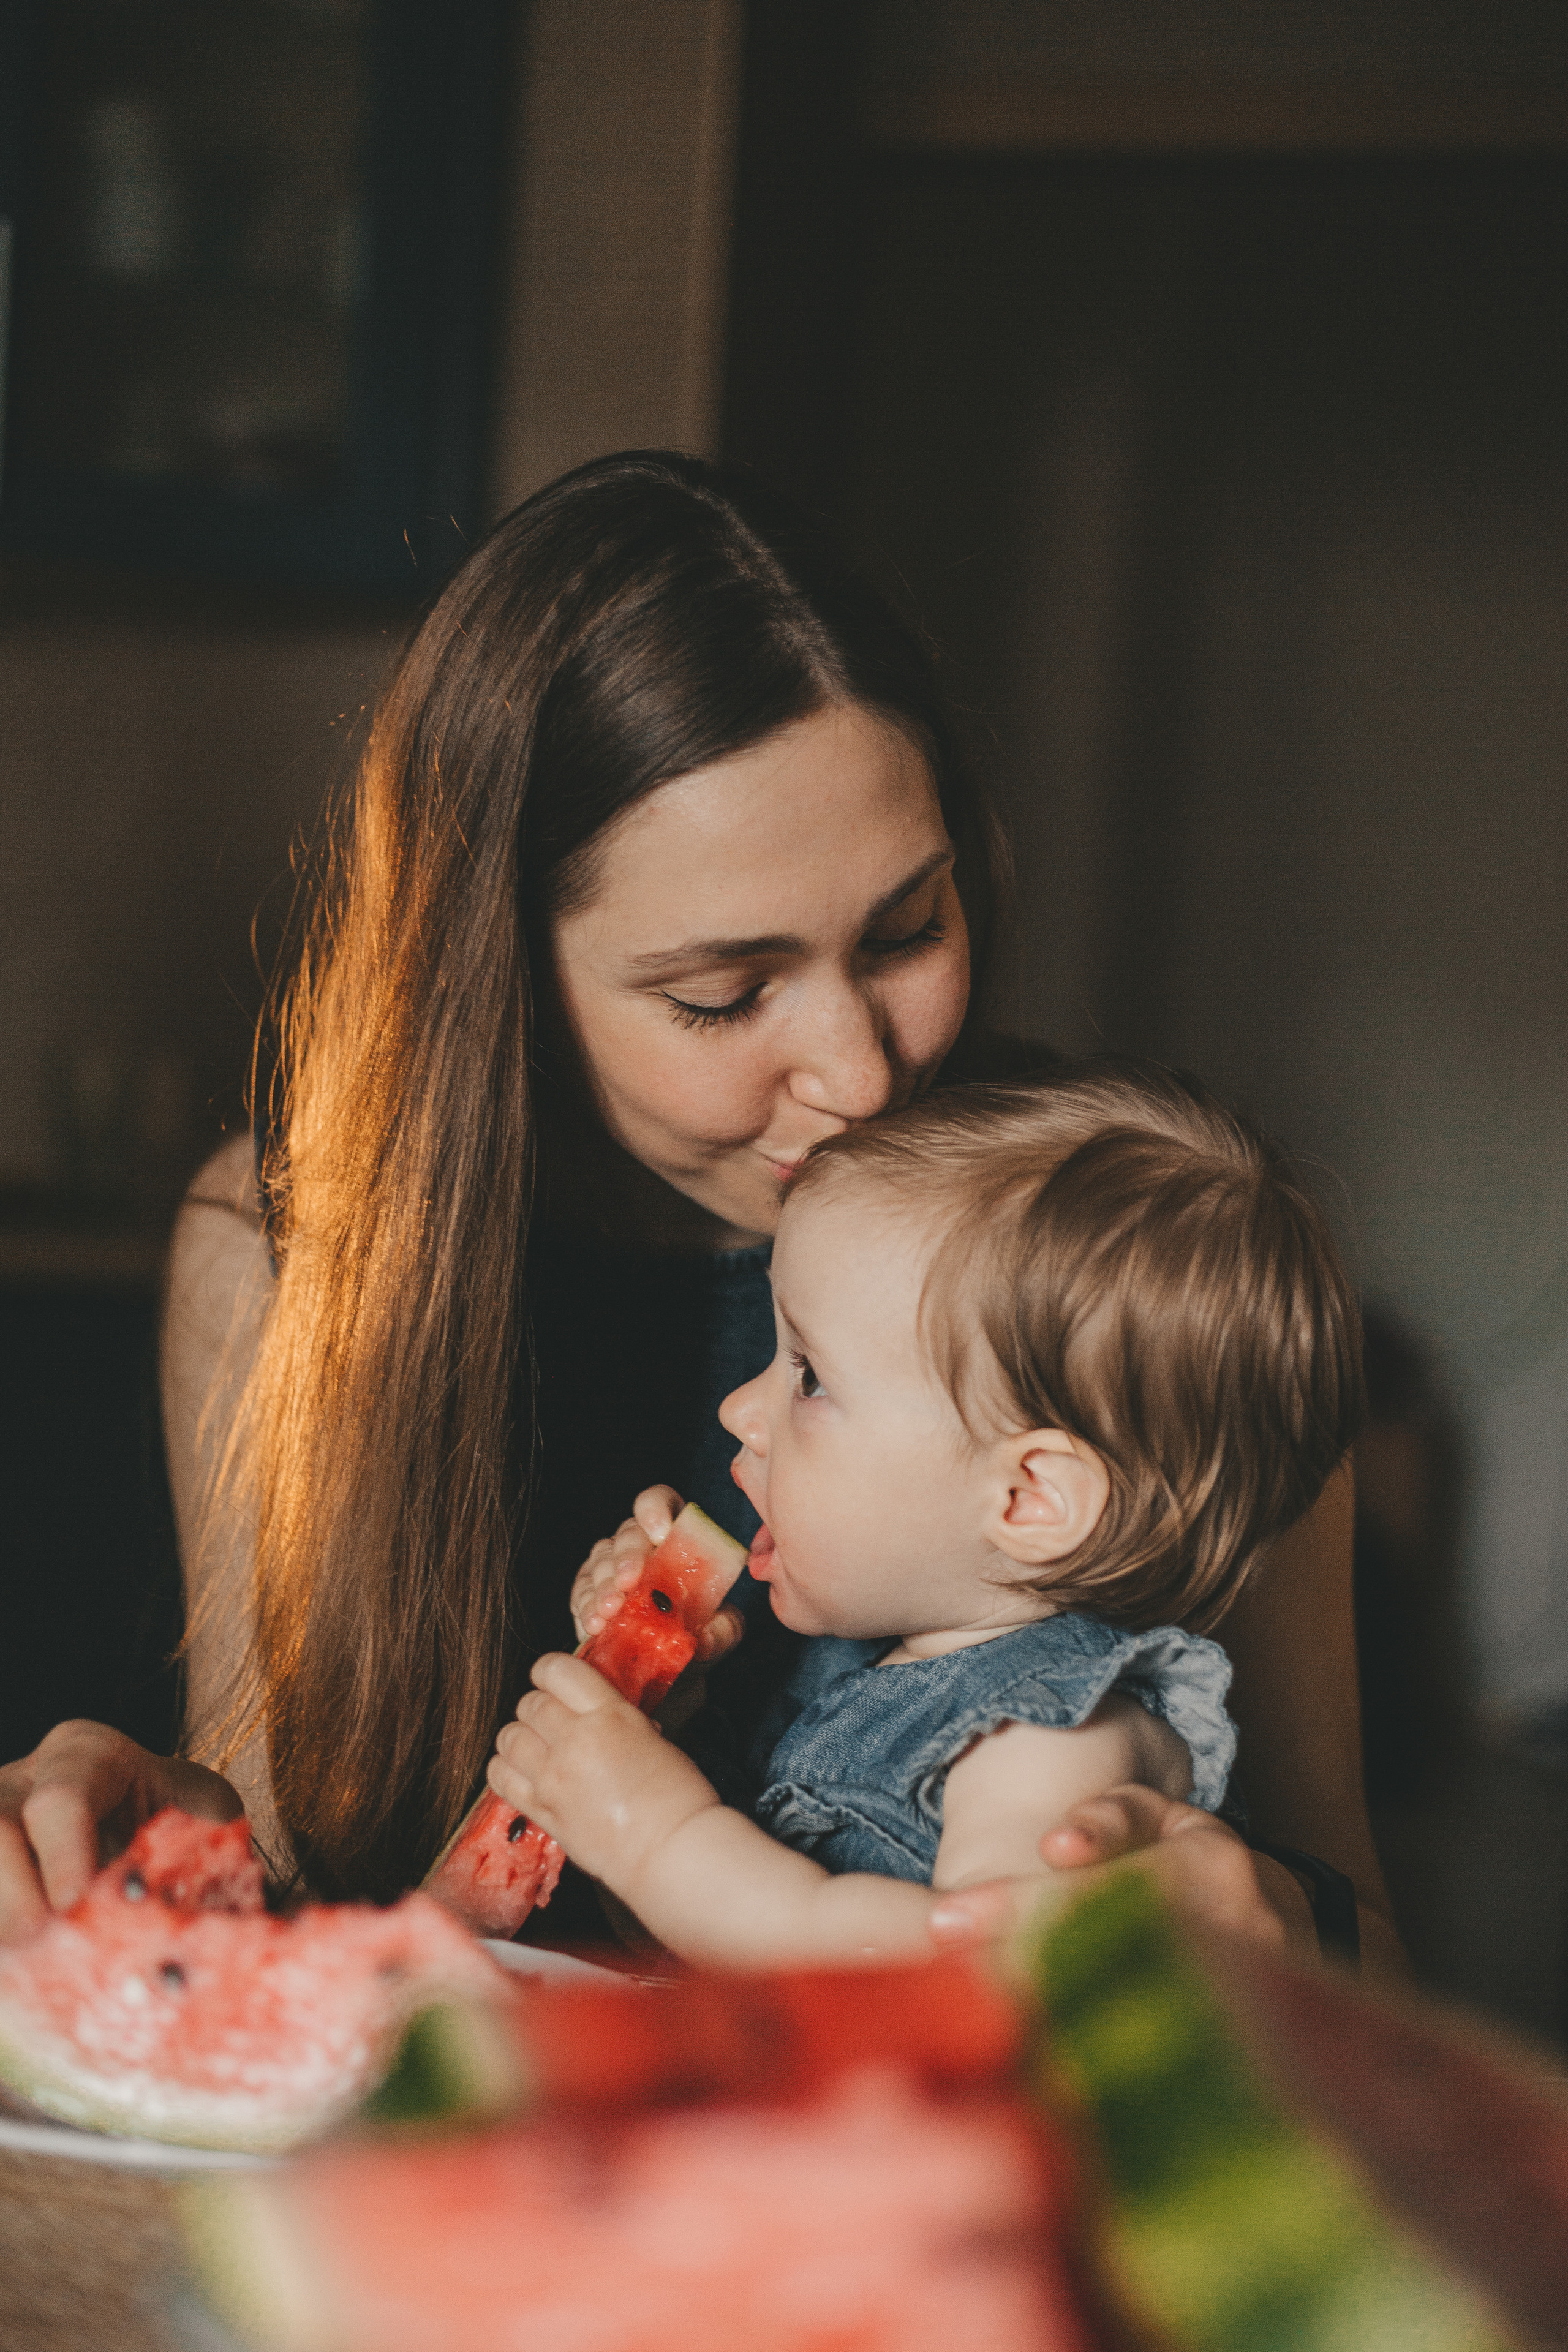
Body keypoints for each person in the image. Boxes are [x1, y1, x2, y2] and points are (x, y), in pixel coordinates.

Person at [0, 451, 1398, 1972]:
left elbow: (1352, 1921)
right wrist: (157, 1832)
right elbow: (285, 1872)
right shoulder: (288, 1246)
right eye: (725, 996)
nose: (861, 1076)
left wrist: (1276, 1930)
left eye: (908, 928)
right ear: (506, 987)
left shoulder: (1140, 1279)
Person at [487, 1063, 1363, 1966]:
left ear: (1029, 1499)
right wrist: (655, 1725)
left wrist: (655, 1833)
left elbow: (964, 1983)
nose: (741, 1412)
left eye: (810, 1377)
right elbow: (719, 1957)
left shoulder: (1051, 1742)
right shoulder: (894, 1681)